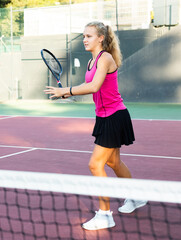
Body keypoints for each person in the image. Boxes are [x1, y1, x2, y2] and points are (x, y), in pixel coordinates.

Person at [44, 21, 147, 230]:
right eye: (83, 36)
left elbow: (94, 86)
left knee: (95, 164)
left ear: (101, 38)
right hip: (104, 116)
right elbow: (87, 85)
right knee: (113, 163)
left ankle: (105, 215)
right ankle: (135, 197)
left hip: (114, 117)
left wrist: (67, 91)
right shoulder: (92, 62)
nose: (84, 39)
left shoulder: (105, 58)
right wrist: (65, 92)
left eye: (89, 36)